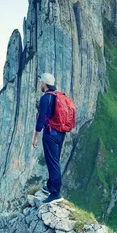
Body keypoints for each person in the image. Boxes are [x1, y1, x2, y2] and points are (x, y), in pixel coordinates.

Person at [32, 72, 66, 204]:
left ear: (45, 83)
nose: (40, 84)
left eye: (41, 82)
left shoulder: (45, 98)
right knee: (55, 161)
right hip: (60, 133)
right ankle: (50, 186)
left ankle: (56, 194)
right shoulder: (58, 96)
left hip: (50, 134)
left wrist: (35, 137)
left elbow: (40, 120)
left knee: (53, 164)